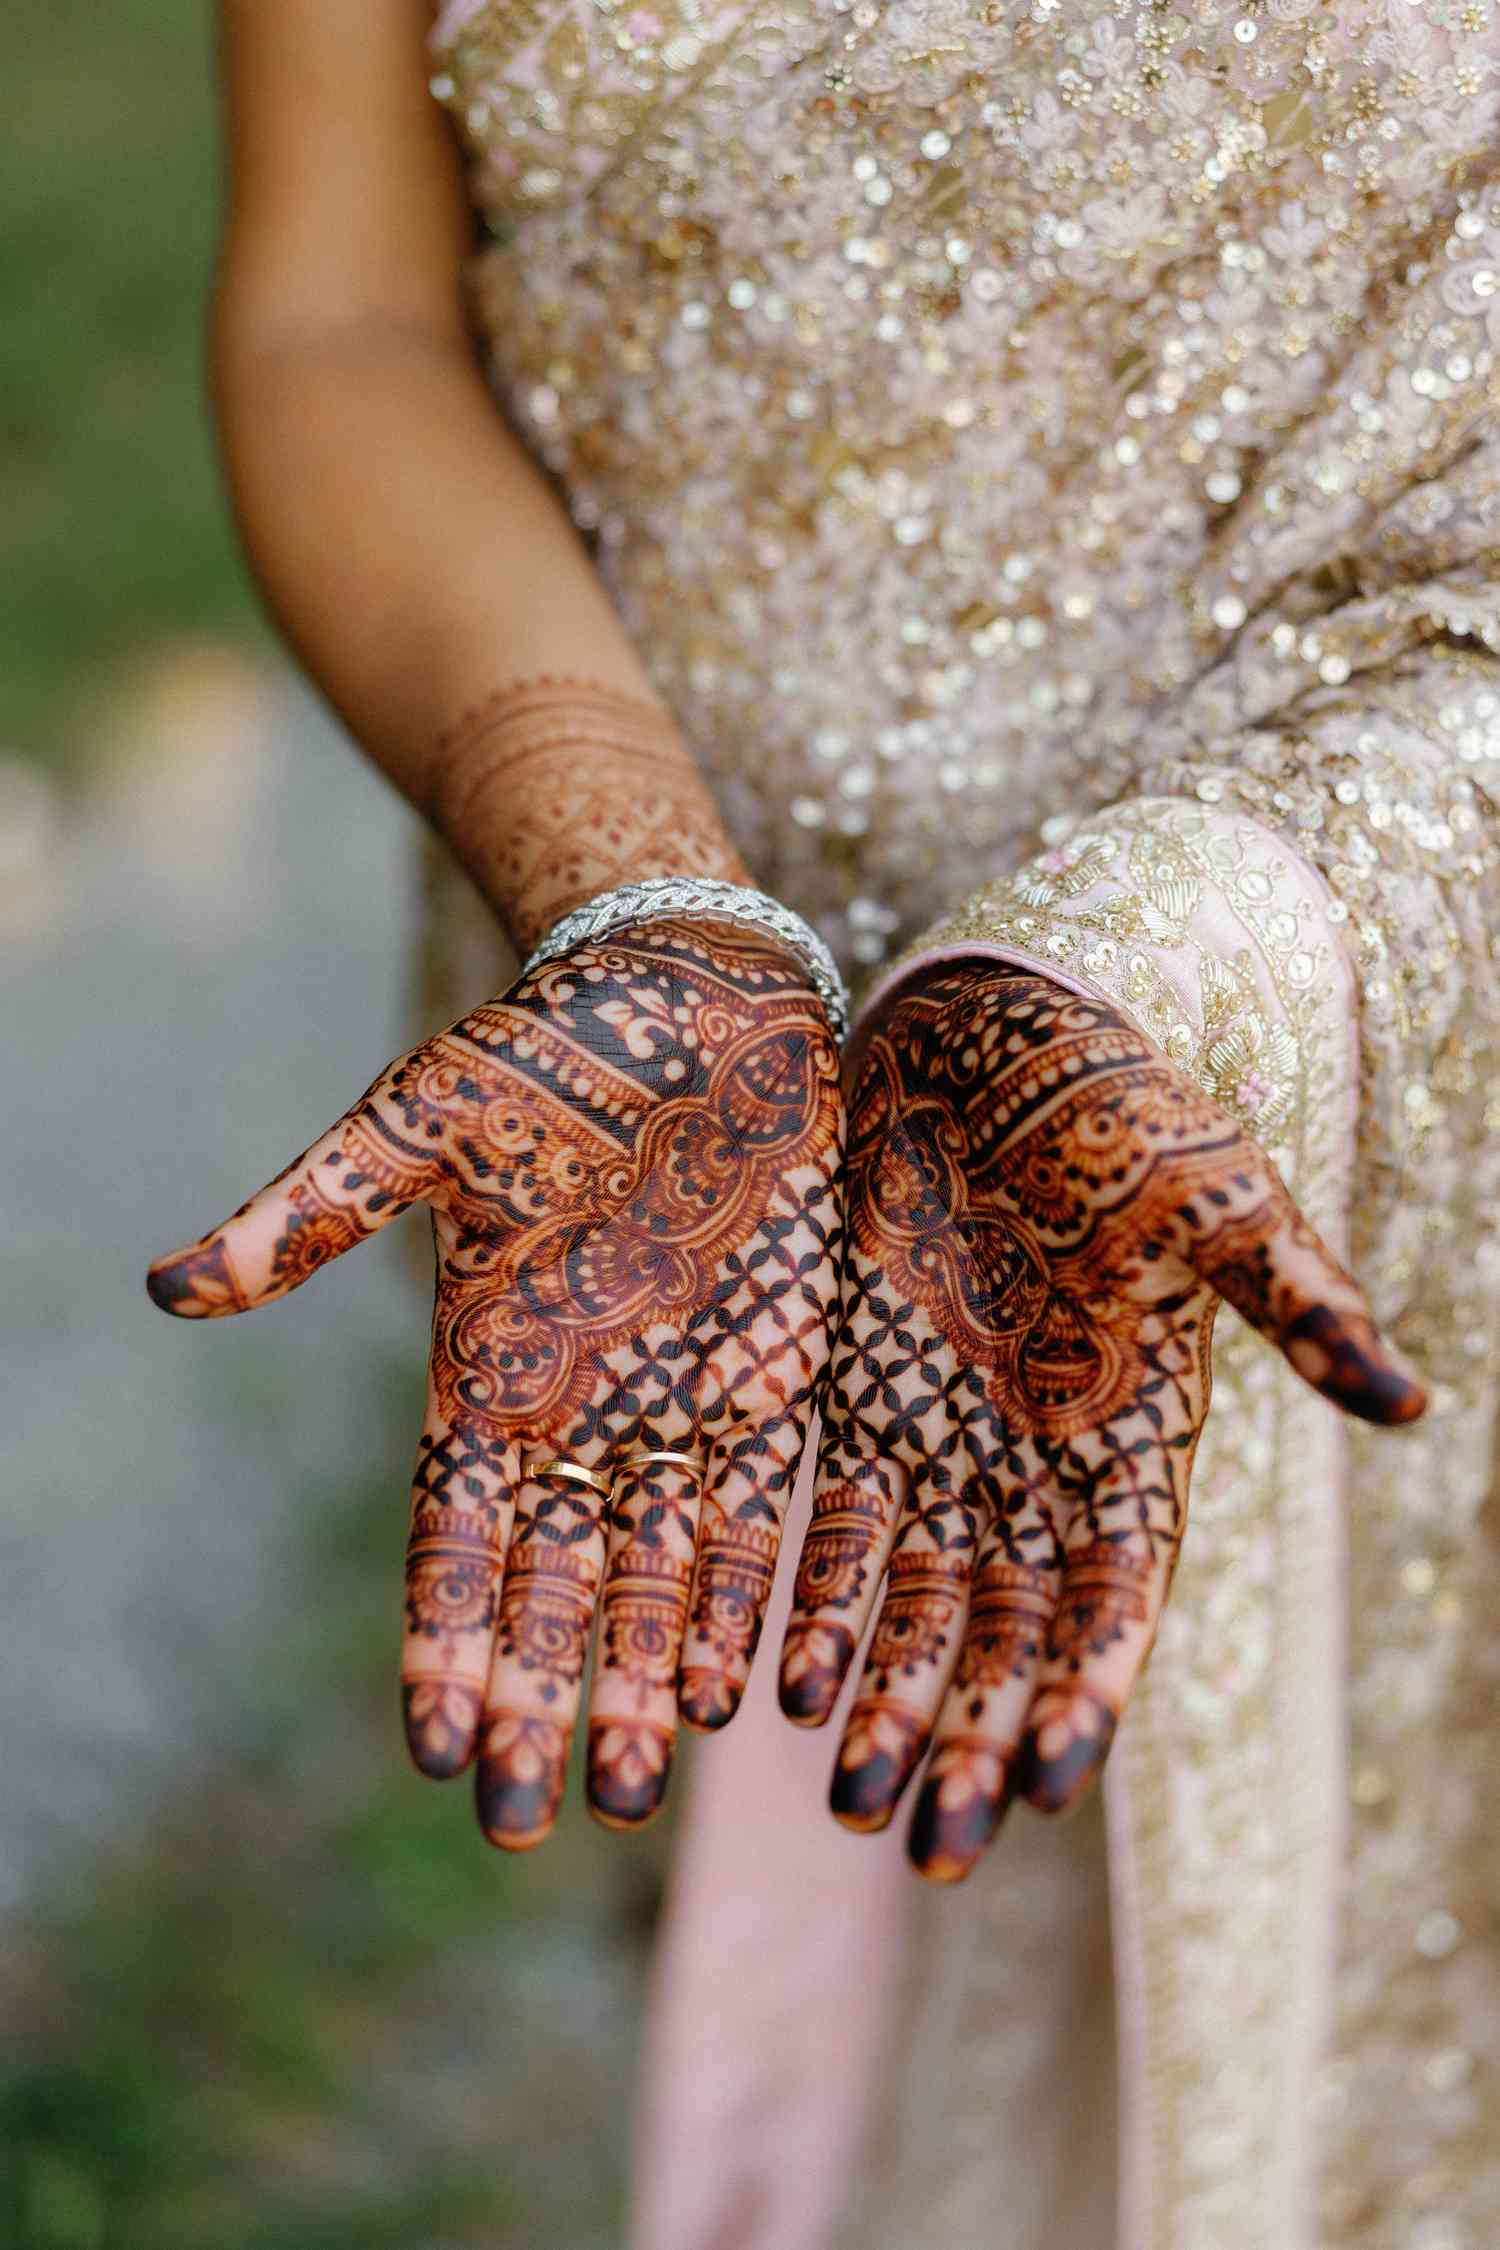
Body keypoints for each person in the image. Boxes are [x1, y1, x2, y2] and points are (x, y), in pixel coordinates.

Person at [147, 4, 1500, 2246]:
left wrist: (1165, 956)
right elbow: (342, 314)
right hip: (735, 1211)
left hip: (1406, 1008)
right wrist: (638, 903)